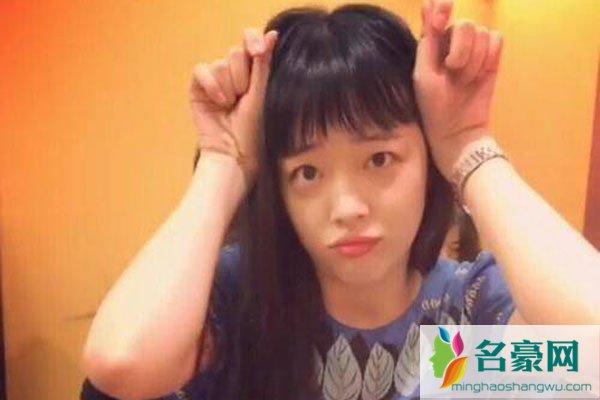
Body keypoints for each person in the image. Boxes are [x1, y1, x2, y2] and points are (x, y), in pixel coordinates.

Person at [80, 1, 600, 399]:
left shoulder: (462, 325)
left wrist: (468, 145)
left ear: (427, 159)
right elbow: (123, 365)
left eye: (380, 159)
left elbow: (591, 354)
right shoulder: (242, 304)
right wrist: (224, 161)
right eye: (307, 172)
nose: (347, 208)